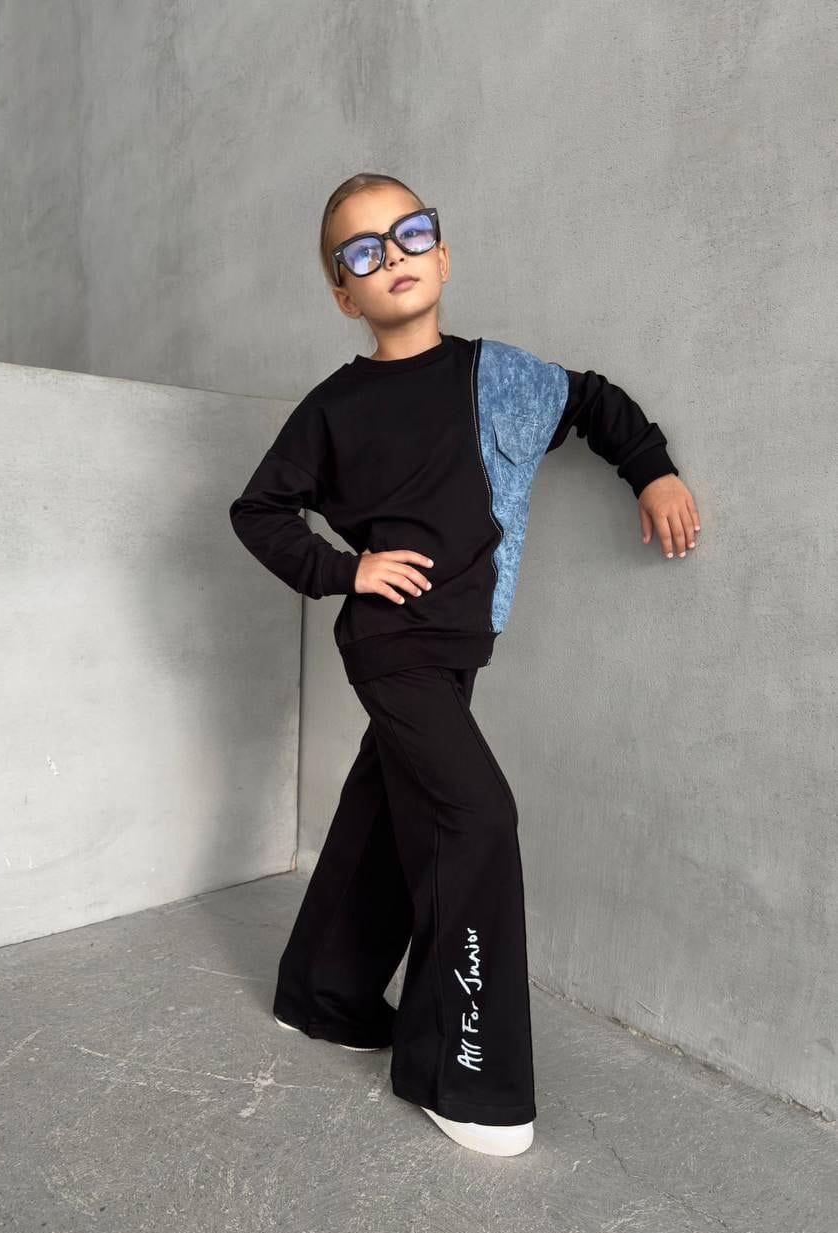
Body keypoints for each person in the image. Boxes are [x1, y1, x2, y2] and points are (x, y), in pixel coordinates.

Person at [228, 172, 700, 1157]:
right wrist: (347, 569)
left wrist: (651, 469)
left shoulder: (502, 379)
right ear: (343, 292)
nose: (391, 257)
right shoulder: (334, 407)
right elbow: (259, 510)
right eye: (362, 251)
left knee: (385, 804)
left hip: (459, 644)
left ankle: (323, 991)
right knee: (475, 818)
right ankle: (464, 1073)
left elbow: (594, 400)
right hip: (390, 645)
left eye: (409, 234)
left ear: (441, 255)